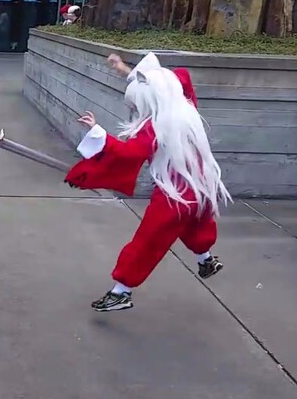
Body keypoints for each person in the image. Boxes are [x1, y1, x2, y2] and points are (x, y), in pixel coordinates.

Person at [65, 52, 231, 312]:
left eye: (135, 105)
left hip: (173, 193)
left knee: (148, 241)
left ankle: (121, 291)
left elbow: (129, 153)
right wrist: (125, 70)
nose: (134, 109)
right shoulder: (187, 106)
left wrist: (98, 132)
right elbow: (178, 78)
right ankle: (206, 260)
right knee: (195, 224)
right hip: (201, 188)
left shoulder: (155, 126)